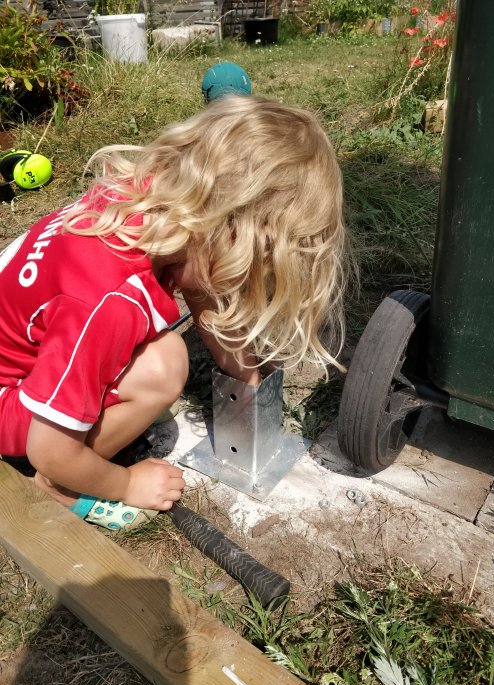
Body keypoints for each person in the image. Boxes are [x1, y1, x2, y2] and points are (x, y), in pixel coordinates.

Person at [0, 95, 348, 530]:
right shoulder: (107, 301)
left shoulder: (147, 205)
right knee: (163, 368)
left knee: (152, 349)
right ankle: (59, 489)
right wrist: (125, 483)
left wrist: (243, 375)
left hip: (31, 348)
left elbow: (199, 288)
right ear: (227, 231)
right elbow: (48, 448)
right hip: (13, 403)